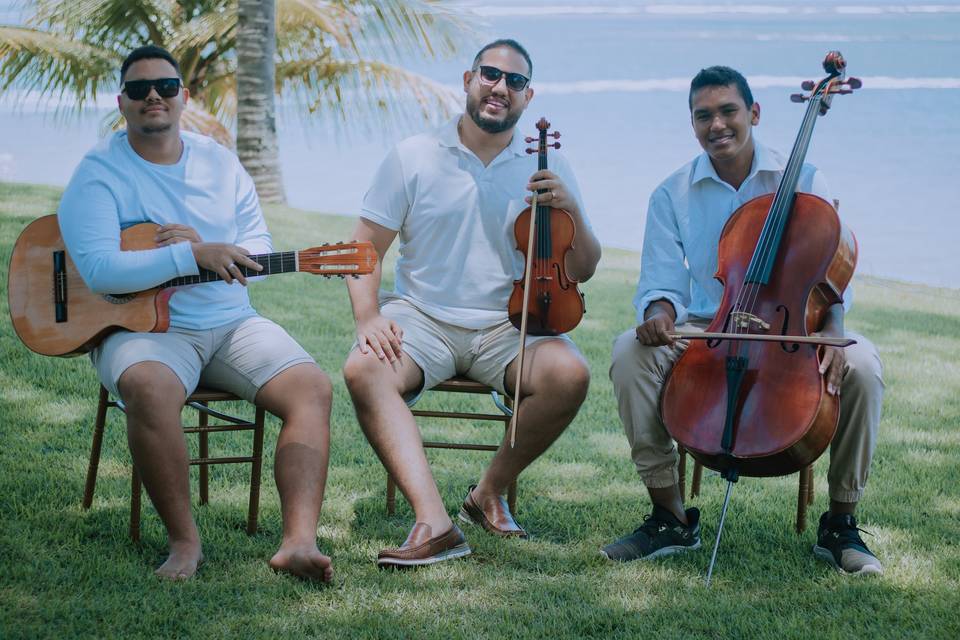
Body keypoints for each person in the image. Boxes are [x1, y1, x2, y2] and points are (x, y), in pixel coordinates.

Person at [58, 45, 333, 581]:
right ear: (122, 102)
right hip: (143, 330)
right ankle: (185, 543)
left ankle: (298, 542)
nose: (153, 96)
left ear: (184, 96)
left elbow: (257, 242)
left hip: (230, 323)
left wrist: (209, 245)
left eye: (165, 86)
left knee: (312, 388)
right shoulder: (99, 172)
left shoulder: (219, 161)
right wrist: (186, 255)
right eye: (139, 89)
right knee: (150, 388)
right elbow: (99, 270)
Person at [603, 66, 884, 575]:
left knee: (861, 365)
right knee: (629, 352)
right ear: (692, 124)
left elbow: (830, 277)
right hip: (711, 328)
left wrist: (832, 331)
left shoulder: (804, 179)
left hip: (792, 327)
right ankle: (668, 516)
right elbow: (661, 283)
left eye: (728, 111)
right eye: (703, 115)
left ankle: (841, 522)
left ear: (754, 113)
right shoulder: (672, 192)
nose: (717, 125)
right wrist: (658, 315)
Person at [342, 39, 602, 567]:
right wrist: (368, 316)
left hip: (511, 324)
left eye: (515, 82)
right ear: (467, 79)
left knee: (570, 373)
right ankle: (434, 523)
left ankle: (488, 491)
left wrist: (570, 204)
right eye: (490, 75)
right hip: (422, 318)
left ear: (529, 97)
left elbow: (584, 267)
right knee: (363, 369)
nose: (500, 88)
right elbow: (363, 249)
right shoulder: (413, 155)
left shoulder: (547, 165)